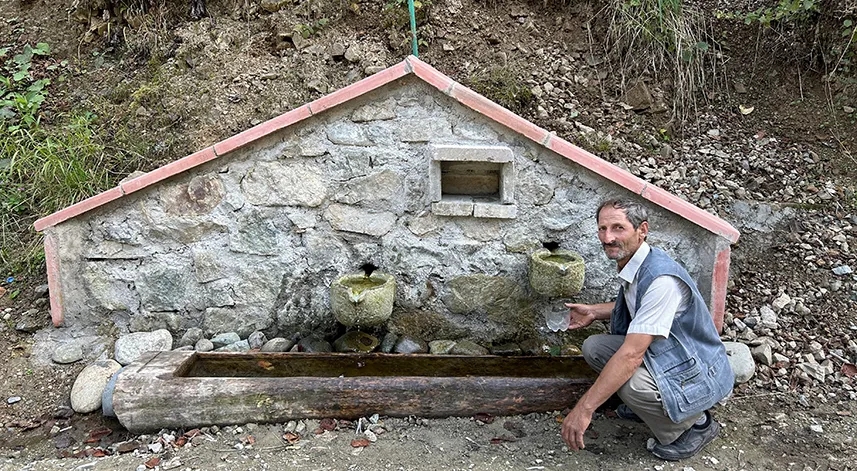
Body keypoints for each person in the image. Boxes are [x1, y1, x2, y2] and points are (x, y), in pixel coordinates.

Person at [560, 198, 734, 461]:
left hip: (697, 368)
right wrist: (595, 311)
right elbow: (644, 311)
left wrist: (584, 409)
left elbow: (631, 356)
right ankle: (652, 410)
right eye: (602, 229)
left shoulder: (661, 279)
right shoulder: (637, 263)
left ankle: (694, 427)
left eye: (618, 228)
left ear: (642, 230)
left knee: (632, 385)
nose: (608, 238)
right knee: (594, 347)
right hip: (669, 355)